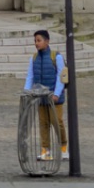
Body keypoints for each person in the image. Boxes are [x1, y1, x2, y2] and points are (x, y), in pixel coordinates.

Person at [23, 29, 67, 163]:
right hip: (40, 98)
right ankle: (45, 149)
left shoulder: (56, 57)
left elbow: (61, 77)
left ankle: (63, 147)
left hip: (54, 98)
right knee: (43, 123)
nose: (36, 43)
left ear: (47, 41)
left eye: (39, 40)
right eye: (35, 41)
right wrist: (27, 91)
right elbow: (30, 76)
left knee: (57, 122)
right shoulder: (34, 58)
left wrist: (57, 94)